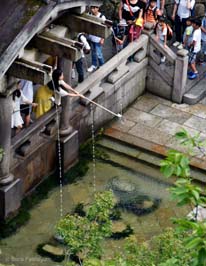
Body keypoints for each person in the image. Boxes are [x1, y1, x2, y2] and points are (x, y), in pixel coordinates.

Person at [87, 6, 106, 73]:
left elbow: (105, 29)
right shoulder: (89, 14)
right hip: (91, 37)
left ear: (97, 8)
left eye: (94, 8)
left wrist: (102, 39)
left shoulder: (102, 16)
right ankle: (94, 65)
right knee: (93, 52)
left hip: (98, 38)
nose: (92, 9)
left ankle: (102, 65)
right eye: (91, 8)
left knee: (99, 53)